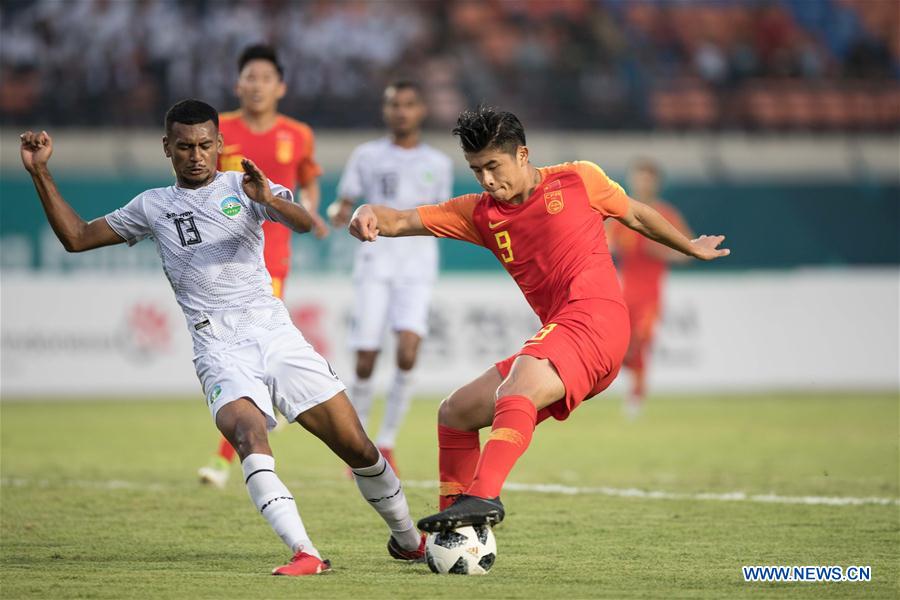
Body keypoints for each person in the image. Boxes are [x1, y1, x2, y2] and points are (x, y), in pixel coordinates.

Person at [19, 99, 425, 576]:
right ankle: (305, 552)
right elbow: (77, 237)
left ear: (220, 145)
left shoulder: (244, 185)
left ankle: (408, 540)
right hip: (218, 346)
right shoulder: (152, 206)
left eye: (205, 145)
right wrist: (40, 173)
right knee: (246, 432)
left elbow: (307, 224)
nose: (196, 155)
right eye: (185, 146)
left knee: (357, 447)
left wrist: (269, 199)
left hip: (273, 332)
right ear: (167, 148)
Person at [347, 106, 729, 532]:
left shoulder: (578, 179)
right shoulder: (478, 214)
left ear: (522, 155)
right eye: (477, 171)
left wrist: (689, 247)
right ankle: (452, 532)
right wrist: (366, 211)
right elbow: (401, 219)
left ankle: (484, 496)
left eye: (494, 166)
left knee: (519, 381)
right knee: (456, 412)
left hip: (598, 322)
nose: (488, 181)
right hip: (566, 340)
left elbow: (636, 214)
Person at [198, 44, 329, 489]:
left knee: (246, 351)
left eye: (265, 78)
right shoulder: (218, 132)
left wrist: (312, 210)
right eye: (249, 77)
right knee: (233, 352)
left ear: (281, 86)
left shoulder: (298, 134)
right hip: (219, 257)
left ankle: (222, 459)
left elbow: (309, 177)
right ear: (238, 84)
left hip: (269, 257)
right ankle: (271, 409)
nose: (256, 85)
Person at [327, 81, 453, 474]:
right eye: (394, 104)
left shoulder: (439, 163)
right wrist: (338, 213)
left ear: (421, 111)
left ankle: (388, 441)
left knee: (408, 350)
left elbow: (443, 217)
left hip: (416, 266)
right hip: (374, 263)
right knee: (365, 358)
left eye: (409, 104)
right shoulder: (366, 156)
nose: (401, 111)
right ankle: (358, 442)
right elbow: (344, 203)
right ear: (386, 111)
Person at [606, 159, 693, 419]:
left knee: (641, 343)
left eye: (647, 178)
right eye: (638, 177)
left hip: (650, 295)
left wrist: (662, 251)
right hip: (624, 293)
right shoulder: (621, 212)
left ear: (656, 182)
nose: (642, 183)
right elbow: (606, 244)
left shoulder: (667, 214)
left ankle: (636, 397)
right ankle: (628, 388)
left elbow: (688, 251)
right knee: (619, 347)